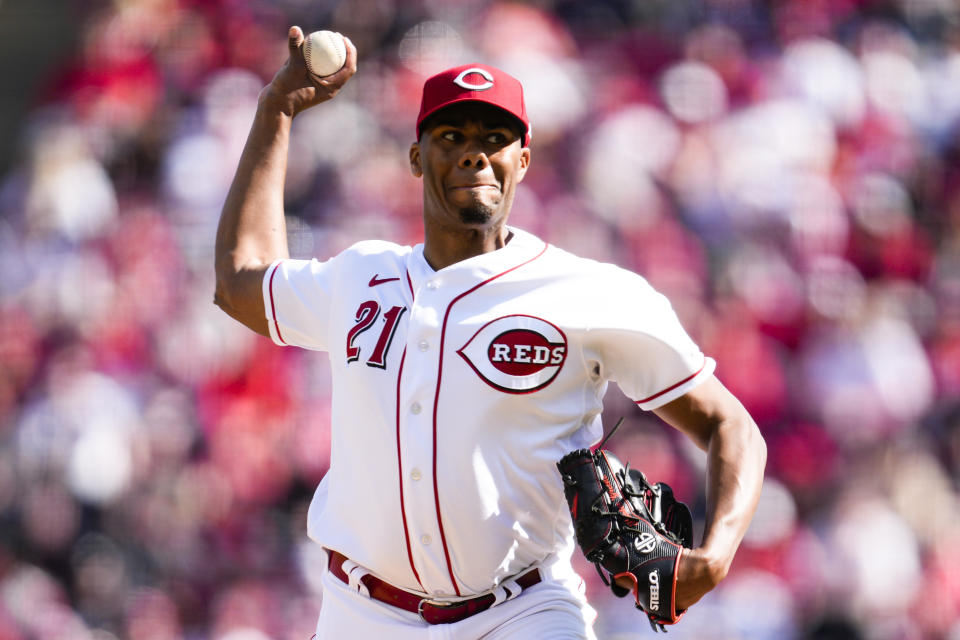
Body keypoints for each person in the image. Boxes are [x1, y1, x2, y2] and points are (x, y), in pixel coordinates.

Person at [214, 26, 767, 640]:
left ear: (522, 160)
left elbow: (729, 425)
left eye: (495, 139)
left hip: (523, 611)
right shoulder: (359, 277)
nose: (475, 154)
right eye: (452, 137)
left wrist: (713, 557)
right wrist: (277, 109)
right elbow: (240, 281)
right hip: (361, 612)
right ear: (417, 156)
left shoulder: (587, 293)